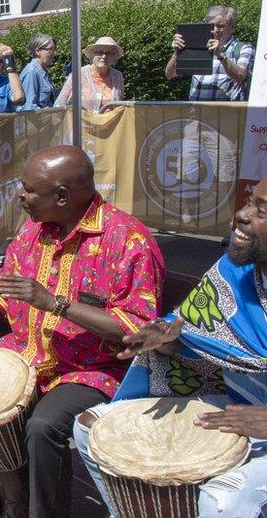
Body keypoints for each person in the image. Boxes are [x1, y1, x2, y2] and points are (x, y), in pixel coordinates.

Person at [0, 146, 165, 518]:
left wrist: (56, 304)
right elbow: (0, 292)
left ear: (62, 196)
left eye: (28, 190)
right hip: (25, 352)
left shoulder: (128, 240)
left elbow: (137, 328)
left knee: (43, 427)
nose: (19, 196)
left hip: (91, 369)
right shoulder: (32, 231)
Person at [75, 176, 267, 518]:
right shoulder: (237, 271)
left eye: (261, 210)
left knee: (223, 502)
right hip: (240, 404)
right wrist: (166, 341)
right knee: (91, 428)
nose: (242, 213)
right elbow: (199, 341)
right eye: (251, 201)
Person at [165, 5, 254, 102]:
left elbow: (240, 77)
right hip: (197, 113)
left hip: (227, 113)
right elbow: (169, 74)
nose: (215, 30)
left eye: (220, 26)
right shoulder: (198, 46)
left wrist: (220, 55)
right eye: (211, 25)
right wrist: (178, 52)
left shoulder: (243, 48)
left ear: (232, 28)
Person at [55, 37, 124, 112]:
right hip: (82, 122)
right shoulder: (78, 75)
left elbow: (118, 106)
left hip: (110, 122)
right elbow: (60, 104)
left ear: (114, 57)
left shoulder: (118, 76)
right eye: (100, 52)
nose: (104, 56)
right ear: (92, 55)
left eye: (108, 53)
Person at [19, 33, 57, 111]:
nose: (54, 53)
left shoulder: (43, 71)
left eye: (54, 49)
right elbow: (29, 107)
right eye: (50, 49)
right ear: (38, 51)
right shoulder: (32, 72)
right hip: (37, 121)